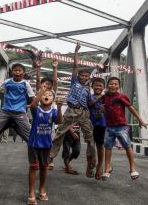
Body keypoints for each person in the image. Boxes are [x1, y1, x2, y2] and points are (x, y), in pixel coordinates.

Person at [49, 42, 96, 178]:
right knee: (59, 133)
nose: (84, 78)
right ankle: (50, 157)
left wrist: (101, 98)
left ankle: (91, 161)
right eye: (82, 76)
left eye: (86, 77)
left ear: (88, 79)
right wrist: (76, 51)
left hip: (83, 112)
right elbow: (75, 66)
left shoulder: (88, 90)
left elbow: (91, 103)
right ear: (78, 76)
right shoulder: (74, 82)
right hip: (71, 111)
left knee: (90, 138)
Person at [100, 77, 146, 180]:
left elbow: (131, 108)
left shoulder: (122, 96)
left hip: (121, 126)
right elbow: (102, 110)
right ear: (108, 86)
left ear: (119, 86)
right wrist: (101, 109)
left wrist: (140, 120)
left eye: (115, 84)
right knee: (107, 147)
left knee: (127, 146)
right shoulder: (104, 98)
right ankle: (107, 168)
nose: (113, 86)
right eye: (111, 84)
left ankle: (132, 168)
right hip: (109, 126)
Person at [27, 88, 63, 204]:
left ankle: (42, 188)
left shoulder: (53, 111)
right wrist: (41, 92)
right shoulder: (36, 110)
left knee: (44, 168)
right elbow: (32, 105)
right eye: (44, 95)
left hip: (47, 145)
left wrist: (59, 107)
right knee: (33, 167)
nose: (46, 96)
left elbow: (59, 121)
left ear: (53, 99)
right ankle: (31, 192)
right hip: (34, 144)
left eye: (49, 95)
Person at [87, 77, 107, 180]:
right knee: (90, 146)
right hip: (90, 125)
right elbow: (90, 103)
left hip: (101, 125)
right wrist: (102, 97)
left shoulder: (107, 99)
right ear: (92, 86)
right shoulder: (89, 96)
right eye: (96, 85)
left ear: (104, 87)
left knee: (100, 146)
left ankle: (100, 166)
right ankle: (89, 165)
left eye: (100, 86)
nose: (98, 87)